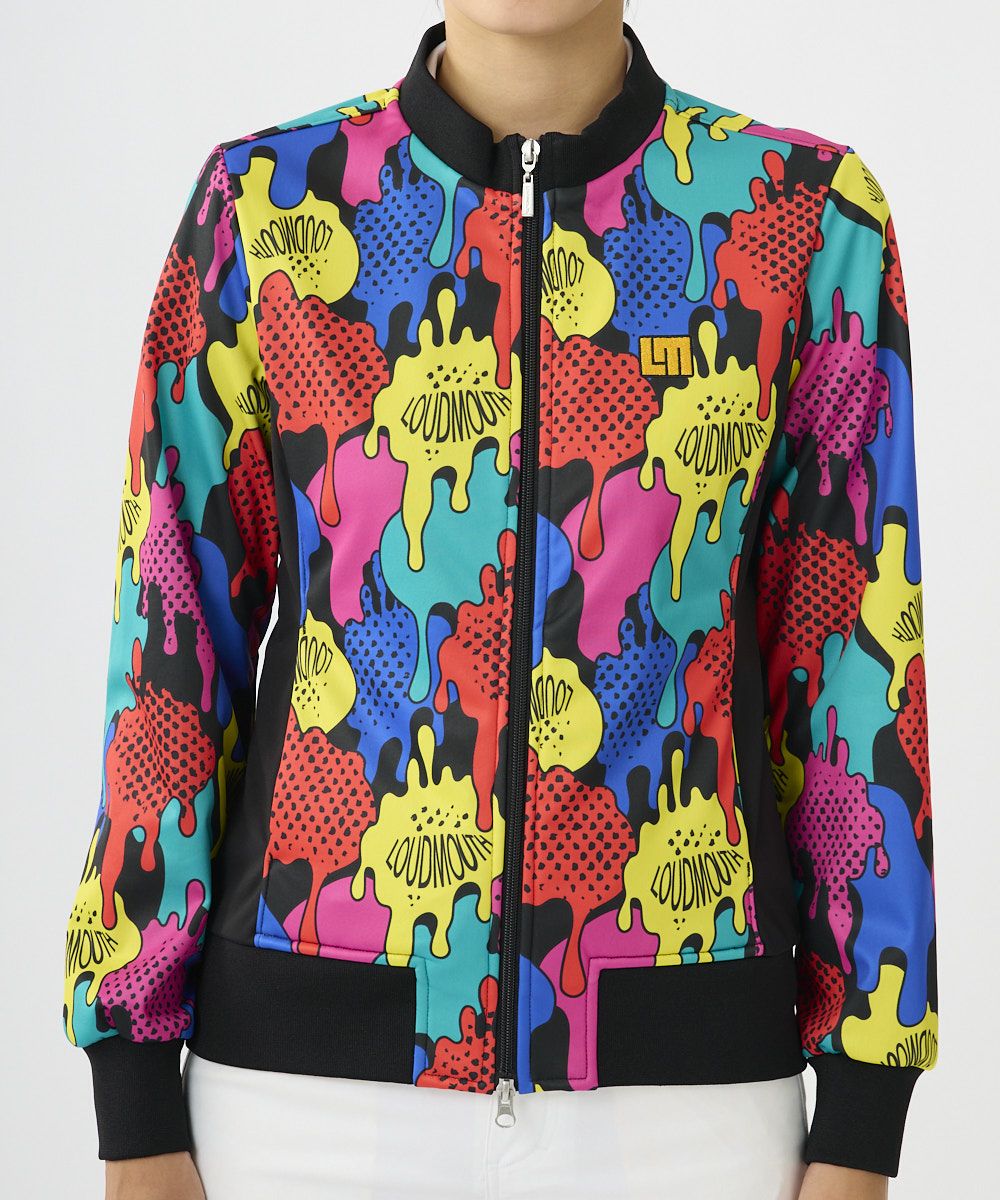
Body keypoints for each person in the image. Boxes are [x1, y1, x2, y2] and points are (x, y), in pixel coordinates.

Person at [62, 2, 939, 1198]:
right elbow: (170, 653)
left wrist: (863, 1115)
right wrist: (131, 1096)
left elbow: (854, 666)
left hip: (687, 1109)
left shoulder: (806, 217)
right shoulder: (264, 210)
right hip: (301, 1106)